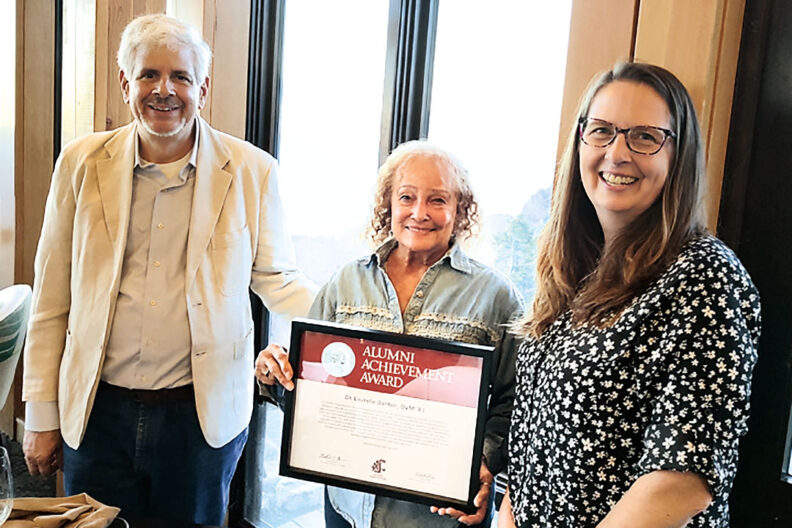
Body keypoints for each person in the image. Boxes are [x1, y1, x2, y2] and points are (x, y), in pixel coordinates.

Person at [21, 14, 316, 526]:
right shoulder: (79, 163)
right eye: (149, 75)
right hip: (97, 416)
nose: (165, 90)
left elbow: (278, 279)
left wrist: (362, 314)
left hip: (200, 422)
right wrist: (41, 416)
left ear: (202, 86)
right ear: (125, 83)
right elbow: (51, 299)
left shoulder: (252, 171)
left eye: (180, 76)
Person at [499, 62, 761, 528]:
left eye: (644, 137)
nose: (616, 153)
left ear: (678, 157)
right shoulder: (574, 274)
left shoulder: (705, 276)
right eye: (600, 131)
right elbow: (529, 447)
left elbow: (681, 481)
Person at [256, 140, 523, 527]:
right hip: (347, 508)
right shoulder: (346, 282)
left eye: (437, 200)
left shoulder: (495, 295)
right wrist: (275, 373)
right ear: (388, 204)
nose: (419, 213)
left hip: (440, 517)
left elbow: (515, 398)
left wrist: (483, 459)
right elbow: (310, 391)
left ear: (460, 208)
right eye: (407, 197)